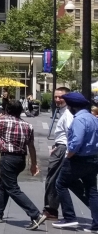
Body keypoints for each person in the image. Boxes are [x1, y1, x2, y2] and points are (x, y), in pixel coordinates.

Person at [0, 101, 47, 229]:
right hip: (20, 160)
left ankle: (35, 214)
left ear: (6, 110)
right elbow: (31, 147)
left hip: (8, 158)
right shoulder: (27, 125)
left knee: (12, 188)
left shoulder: (3, 121)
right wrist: (34, 164)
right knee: (3, 186)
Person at [51, 92, 98, 231]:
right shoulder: (93, 118)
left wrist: (68, 155)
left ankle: (69, 217)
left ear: (73, 106)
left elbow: (76, 141)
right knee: (92, 190)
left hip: (78, 159)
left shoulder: (79, 120)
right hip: (94, 158)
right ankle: (96, 223)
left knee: (60, 184)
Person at [42, 88, 71, 221]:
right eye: (55, 97)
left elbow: (71, 134)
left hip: (62, 149)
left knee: (52, 179)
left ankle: (51, 210)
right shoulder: (63, 111)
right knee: (66, 182)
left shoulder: (68, 113)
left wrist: (65, 151)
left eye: (61, 97)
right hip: (60, 147)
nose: (57, 100)